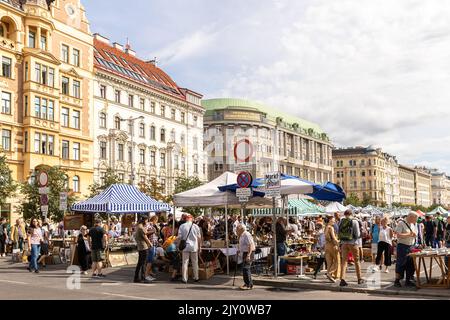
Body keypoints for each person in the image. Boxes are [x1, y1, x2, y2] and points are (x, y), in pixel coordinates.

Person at [338, 209, 365, 287]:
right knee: (356, 261)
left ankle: (342, 279)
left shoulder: (341, 221)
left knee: (344, 261)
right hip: (353, 243)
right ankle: (359, 279)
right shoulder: (354, 221)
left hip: (343, 243)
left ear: (345, 214)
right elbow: (357, 234)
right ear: (351, 214)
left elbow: (339, 232)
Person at [394, 211, 418, 288]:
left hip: (411, 246)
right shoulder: (401, 223)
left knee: (410, 264)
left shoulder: (412, 224)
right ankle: (397, 281)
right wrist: (409, 234)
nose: (416, 221)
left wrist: (414, 236)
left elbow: (413, 234)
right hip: (402, 246)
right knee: (401, 264)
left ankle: (408, 281)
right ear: (410, 217)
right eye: (415, 219)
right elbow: (398, 235)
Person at [177, 214, 202, 284]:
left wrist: (178, 246)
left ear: (186, 219)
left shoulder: (182, 226)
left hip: (185, 246)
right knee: (195, 262)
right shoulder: (196, 226)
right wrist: (200, 247)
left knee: (185, 263)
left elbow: (179, 237)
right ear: (191, 219)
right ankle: (196, 277)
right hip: (194, 246)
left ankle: (184, 279)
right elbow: (199, 238)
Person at [237, 224, 255, 290]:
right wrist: (239, 250)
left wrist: (248, 255)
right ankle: (247, 283)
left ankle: (249, 285)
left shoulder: (246, 234)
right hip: (245, 252)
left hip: (249, 252)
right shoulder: (242, 235)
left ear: (241, 229)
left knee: (246, 268)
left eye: (237, 229)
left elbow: (250, 245)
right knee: (245, 268)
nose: (236, 230)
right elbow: (242, 245)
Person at [134, 217, 152, 283]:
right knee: (143, 263)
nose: (147, 222)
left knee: (140, 263)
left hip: (140, 247)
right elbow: (145, 237)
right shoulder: (141, 228)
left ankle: (136, 278)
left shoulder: (138, 227)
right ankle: (143, 278)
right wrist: (150, 243)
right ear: (144, 220)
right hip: (143, 247)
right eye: (147, 221)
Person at [324, 216, 340, 282]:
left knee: (329, 262)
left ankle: (330, 275)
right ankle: (329, 273)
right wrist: (339, 243)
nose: (334, 221)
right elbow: (333, 238)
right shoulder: (331, 228)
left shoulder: (325, 227)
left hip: (326, 246)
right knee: (337, 261)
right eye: (333, 220)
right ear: (330, 220)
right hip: (332, 246)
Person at [145, 215, 159, 280]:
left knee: (151, 260)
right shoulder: (149, 224)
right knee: (150, 260)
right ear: (155, 220)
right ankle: (146, 275)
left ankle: (148, 273)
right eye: (157, 221)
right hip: (150, 244)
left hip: (153, 244)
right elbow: (145, 233)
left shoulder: (153, 225)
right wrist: (153, 231)